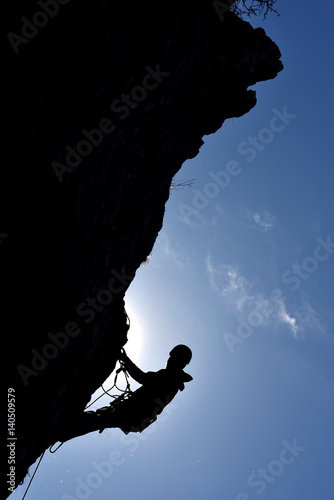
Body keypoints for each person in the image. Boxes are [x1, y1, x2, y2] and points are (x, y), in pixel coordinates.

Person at [96, 344, 193, 434]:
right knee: (100, 418)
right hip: (136, 417)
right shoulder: (174, 380)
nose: (168, 360)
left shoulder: (169, 377)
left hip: (133, 414)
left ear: (178, 361)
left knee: (95, 419)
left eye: (172, 357)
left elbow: (142, 378)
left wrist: (126, 360)